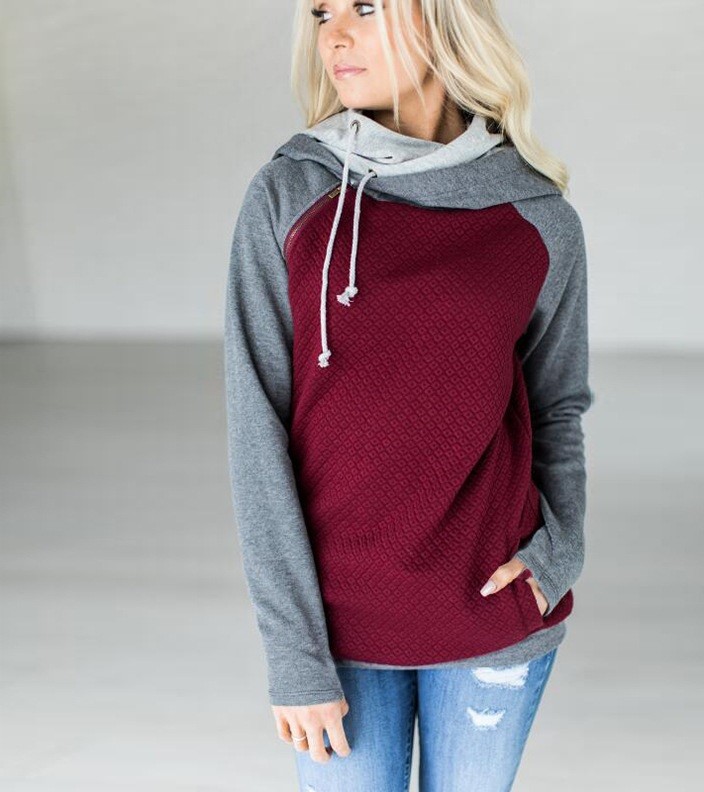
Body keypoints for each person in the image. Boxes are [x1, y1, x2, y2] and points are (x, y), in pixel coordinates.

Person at [223, 0, 595, 788]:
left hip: (493, 611)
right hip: (337, 625)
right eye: (321, 12)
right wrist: (294, 653)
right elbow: (255, 428)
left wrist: (559, 552)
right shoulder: (291, 196)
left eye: (365, 6)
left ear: (444, 17)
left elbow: (557, 403)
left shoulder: (537, 216)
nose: (334, 34)